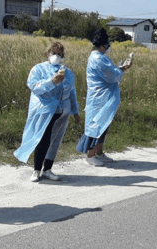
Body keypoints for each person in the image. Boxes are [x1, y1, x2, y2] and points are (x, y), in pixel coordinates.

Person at [14, 42, 80, 182]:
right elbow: (34, 87)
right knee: (42, 139)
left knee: (55, 141)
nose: (56, 56)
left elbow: (72, 92)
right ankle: (36, 170)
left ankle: (48, 169)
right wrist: (52, 81)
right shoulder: (38, 69)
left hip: (62, 111)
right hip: (44, 111)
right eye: (53, 53)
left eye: (60, 54)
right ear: (47, 54)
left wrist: (75, 111)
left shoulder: (68, 72)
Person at [76, 27, 132, 166]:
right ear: (103, 45)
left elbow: (111, 72)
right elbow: (112, 75)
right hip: (99, 98)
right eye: (107, 45)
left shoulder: (100, 57)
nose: (108, 47)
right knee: (96, 126)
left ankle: (99, 152)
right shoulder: (97, 59)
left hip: (105, 98)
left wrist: (119, 69)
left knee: (104, 125)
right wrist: (124, 68)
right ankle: (90, 155)